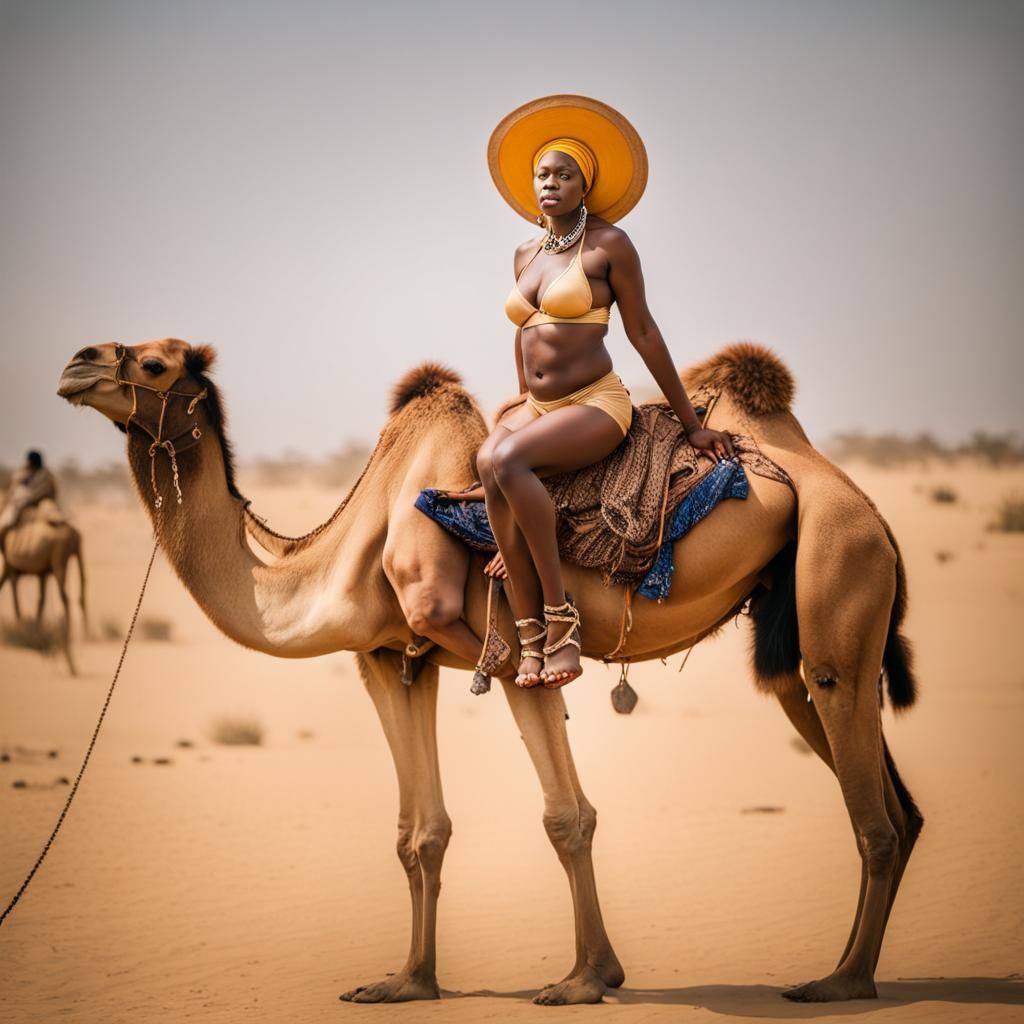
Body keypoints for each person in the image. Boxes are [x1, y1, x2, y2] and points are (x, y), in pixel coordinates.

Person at [481, 95, 734, 690]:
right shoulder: (524, 252)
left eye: (562, 174)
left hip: (595, 403)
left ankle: (560, 618)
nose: (550, 183)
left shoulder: (609, 245)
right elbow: (525, 336)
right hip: (541, 408)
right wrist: (521, 402)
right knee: (485, 461)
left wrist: (690, 420)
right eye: (542, 173)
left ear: (583, 184)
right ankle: (530, 638)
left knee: (506, 458)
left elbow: (643, 331)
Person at [0, 450, 61, 545]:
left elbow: (41, 492)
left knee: (6, 520)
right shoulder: (29, 474)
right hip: (33, 503)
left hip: (38, 503)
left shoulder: (43, 475)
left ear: (30, 462)